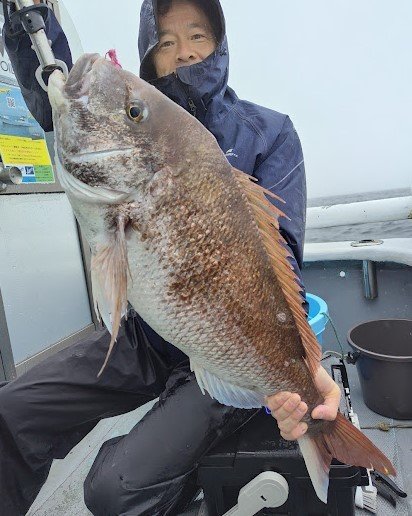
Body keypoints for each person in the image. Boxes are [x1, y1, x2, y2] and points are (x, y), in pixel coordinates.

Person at [0, 0, 341, 514]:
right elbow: (60, 90)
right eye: (165, 41)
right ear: (148, 54)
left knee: (113, 490)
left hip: (226, 347)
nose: (183, 52)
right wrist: (30, 18)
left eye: (198, 35)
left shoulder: (270, 132)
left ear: (219, 44)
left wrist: (303, 369)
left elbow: (281, 264)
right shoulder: (140, 122)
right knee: (13, 411)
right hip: (149, 332)